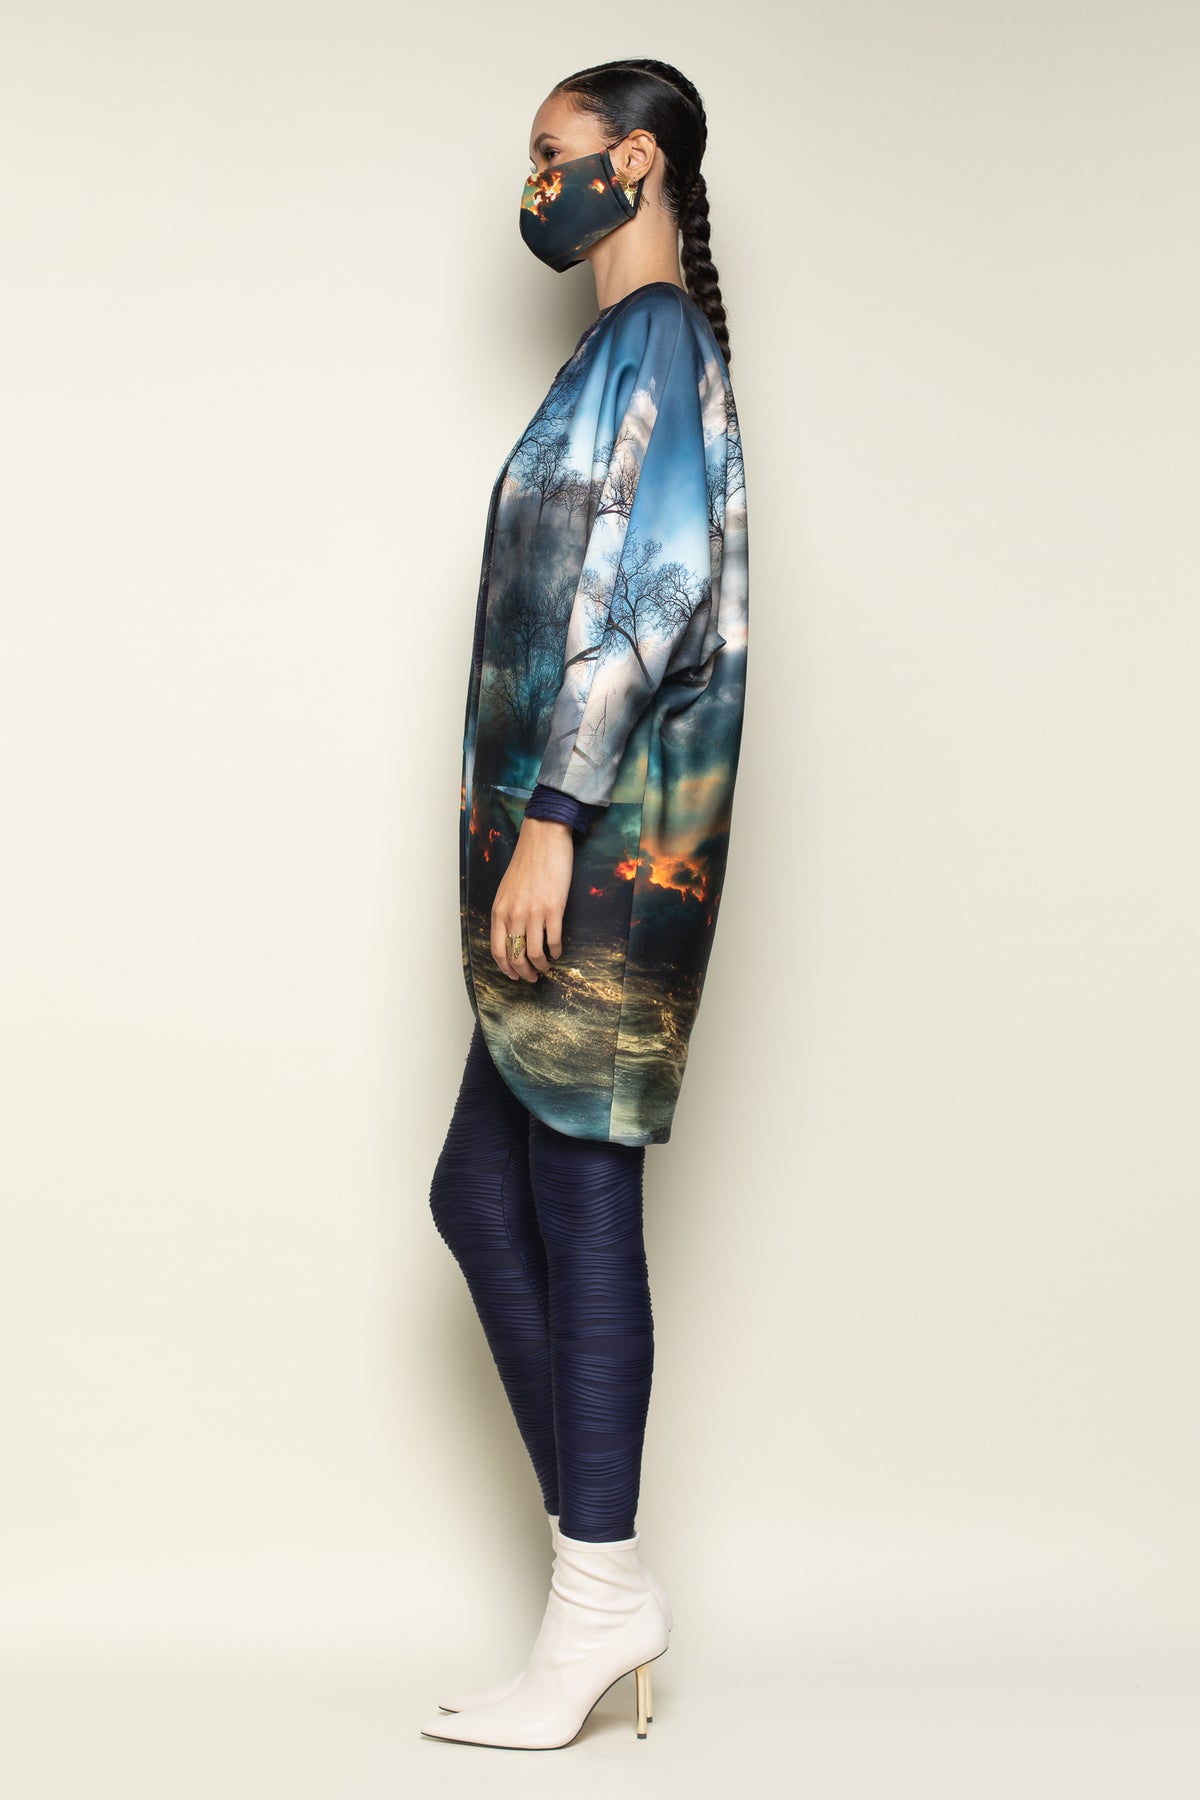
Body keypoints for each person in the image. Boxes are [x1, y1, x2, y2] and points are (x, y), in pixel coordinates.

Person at [420, 57, 749, 1751]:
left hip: (608, 842)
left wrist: (553, 818)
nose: (534, 185)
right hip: (558, 841)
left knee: (569, 1194)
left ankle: (599, 1589)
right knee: (484, 1193)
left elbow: (654, 596)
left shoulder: (659, 344)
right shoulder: (610, 351)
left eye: (554, 155)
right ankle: (602, 1582)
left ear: (636, 162)